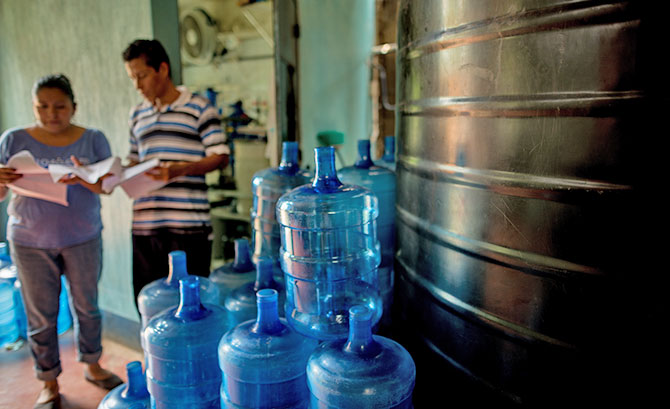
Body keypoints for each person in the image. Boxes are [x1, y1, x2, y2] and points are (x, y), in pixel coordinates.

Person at [0, 74, 122, 409]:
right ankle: (49, 382)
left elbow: (107, 187)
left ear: (74, 107)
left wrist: (88, 175)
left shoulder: (92, 139)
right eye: (42, 106)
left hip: (81, 236)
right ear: (33, 106)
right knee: (41, 315)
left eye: (60, 106)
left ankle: (93, 366)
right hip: (29, 240)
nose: (51, 113)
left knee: (87, 306)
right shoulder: (12, 140)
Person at [121, 39, 230, 305]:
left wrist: (180, 170)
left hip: (188, 227)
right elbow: (134, 162)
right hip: (146, 226)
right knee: (149, 304)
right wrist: (112, 174)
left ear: (163, 69)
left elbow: (220, 156)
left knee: (192, 309)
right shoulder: (137, 115)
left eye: (142, 76)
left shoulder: (199, 107)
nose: (138, 85)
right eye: (132, 78)